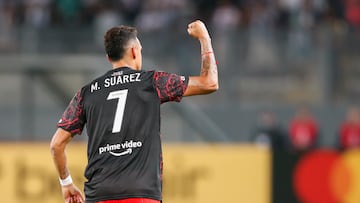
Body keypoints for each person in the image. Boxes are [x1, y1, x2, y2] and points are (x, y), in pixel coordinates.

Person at [50, 20, 218, 203]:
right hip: (140, 194)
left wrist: (66, 183)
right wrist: (204, 38)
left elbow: (56, 145)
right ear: (133, 51)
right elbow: (209, 83)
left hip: (98, 195)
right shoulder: (151, 82)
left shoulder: (86, 93)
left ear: (109, 58)